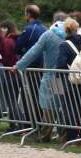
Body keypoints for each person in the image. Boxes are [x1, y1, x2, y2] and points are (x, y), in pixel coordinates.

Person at [14, 11, 68, 141]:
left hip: (51, 75)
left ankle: (45, 134)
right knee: (65, 105)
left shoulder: (49, 35)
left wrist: (19, 65)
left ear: (54, 21)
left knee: (49, 106)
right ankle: (64, 135)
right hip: (68, 75)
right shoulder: (71, 34)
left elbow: (33, 52)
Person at [56, 17, 81, 143]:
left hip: (70, 81)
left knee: (70, 108)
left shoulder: (64, 46)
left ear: (66, 30)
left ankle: (71, 137)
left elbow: (61, 65)